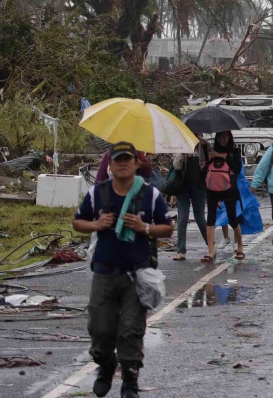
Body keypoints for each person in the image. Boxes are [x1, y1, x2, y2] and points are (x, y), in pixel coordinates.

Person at [71, 142, 173, 398]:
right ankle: (106, 365)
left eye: (128, 159)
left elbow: (167, 227)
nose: (123, 163)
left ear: (137, 164)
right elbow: (77, 222)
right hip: (104, 273)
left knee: (130, 330)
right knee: (100, 330)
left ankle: (130, 382)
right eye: (117, 160)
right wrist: (96, 224)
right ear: (110, 164)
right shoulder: (97, 194)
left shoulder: (150, 196)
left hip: (137, 274)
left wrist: (144, 227)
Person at [203, 131, 244, 262]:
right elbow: (204, 171)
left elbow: (237, 168)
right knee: (210, 219)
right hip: (212, 189)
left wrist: (220, 155)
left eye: (225, 137)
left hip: (229, 190)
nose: (222, 140)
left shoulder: (235, 152)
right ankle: (211, 250)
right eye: (220, 137)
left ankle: (240, 247)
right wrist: (208, 160)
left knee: (232, 219)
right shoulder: (210, 152)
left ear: (229, 138)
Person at [171, 137, 211, 261]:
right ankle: (181, 250)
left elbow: (210, 165)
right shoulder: (181, 145)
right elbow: (176, 167)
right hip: (183, 188)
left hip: (199, 188)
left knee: (200, 219)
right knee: (182, 219)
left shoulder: (205, 146)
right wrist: (181, 152)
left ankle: (211, 246)